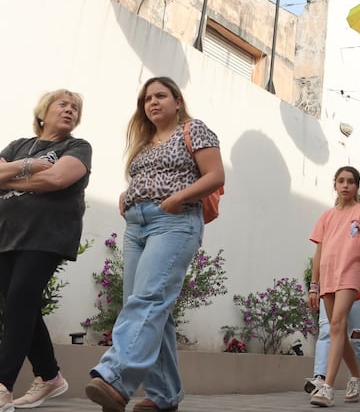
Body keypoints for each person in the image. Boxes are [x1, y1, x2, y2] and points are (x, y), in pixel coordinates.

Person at [86, 77, 224, 412]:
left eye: (161, 96)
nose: (153, 102)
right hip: (136, 226)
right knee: (149, 305)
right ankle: (164, 396)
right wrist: (127, 195)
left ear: (177, 101)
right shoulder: (145, 143)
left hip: (174, 222)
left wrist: (178, 197)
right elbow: (144, 179)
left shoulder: (194, 130)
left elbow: (215, 176)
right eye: (147, 99)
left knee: (147, 300)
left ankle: (116, 378)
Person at [0, 89, 90, 411]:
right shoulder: (17, 146)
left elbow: (56, 180)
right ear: (43, 112)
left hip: (46, 236)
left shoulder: (77, 147)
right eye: (62, 104)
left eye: (75, 108)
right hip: (6, 236)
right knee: (20, 304)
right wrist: (28, 164)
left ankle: (2, 386)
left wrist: (11, 177)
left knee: (20, 302)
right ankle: (50, 376)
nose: (70, 110)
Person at [308, 166, 360, 408]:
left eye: (350, 181)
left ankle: (327, 387)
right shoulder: (326, 216)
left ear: (357, 186)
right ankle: (358, 377)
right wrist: (313, 286)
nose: (345, 185)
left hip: (351, 273)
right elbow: (318, 252)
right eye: (341, 181)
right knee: (339, 331)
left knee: (336, 324)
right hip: (328, 276)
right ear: (335, 185)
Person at [303, 301, 360, 398]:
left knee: (356, 336)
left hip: (358, 292)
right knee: (326, 329)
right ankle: (320, 378)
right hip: (330, 288)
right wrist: (314, 288)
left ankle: (356, 380)